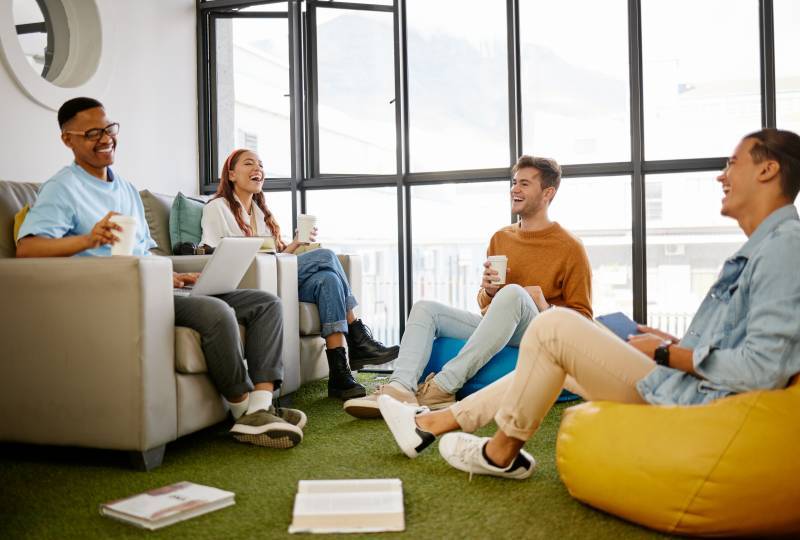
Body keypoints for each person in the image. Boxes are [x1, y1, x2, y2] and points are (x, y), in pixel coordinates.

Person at [378, 128, 800, 479]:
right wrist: (671, 342)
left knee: (554, 328)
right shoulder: (766, 247)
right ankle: (446, 429)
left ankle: (465, 431)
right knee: (550, 343)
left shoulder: (783, 248)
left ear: (768, 170)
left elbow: (764, 367)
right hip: (683, 382)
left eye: (732, 163)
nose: (721, 176)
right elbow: (744, 344)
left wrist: (667, 353)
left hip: (692, 399)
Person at [16, 97, 305, 449]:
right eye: (92, 133)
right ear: (67, 139)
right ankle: (243, 412)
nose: (105, 138)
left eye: (108, 129)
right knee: (216, 312)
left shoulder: (125, 188)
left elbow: (145, 251)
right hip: (117, 294)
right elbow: (27, 249)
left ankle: (261, 406)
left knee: (265, 303)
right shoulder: (62, 188)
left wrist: (171, 274)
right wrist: (89, 239)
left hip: (155, 287)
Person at [343, 155, 593, 418]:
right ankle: (400, 389)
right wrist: (488, 292)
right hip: (501, 326)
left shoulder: (570, 247)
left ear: (547, 193)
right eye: (514, 182)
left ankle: (443, 386)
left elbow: (584, 320)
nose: (515, 189)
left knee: (514, 293)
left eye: (525, 184)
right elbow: (487, 306)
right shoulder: (501, 238)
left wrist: (544, 305)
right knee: (425, 308)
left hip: (541, 331)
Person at [200, 148, 400, 401]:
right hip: (246, 279)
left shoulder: (260, 213)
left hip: (274, 276)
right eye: (249, 164)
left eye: (261, 165)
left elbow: (275, 256)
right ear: (231, 175)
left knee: (328, 280)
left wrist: (296, 243)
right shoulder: (217, 207)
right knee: (326, 256)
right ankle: (357, 333)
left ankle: (339, 376)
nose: (258, 169)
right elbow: (211, 252)